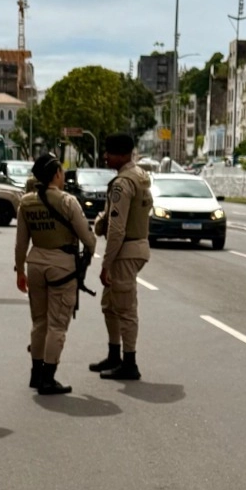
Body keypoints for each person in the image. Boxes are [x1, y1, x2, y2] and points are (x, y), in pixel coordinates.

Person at [15, 153, 95, 396]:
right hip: (61, 266)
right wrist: (89, 253)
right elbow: (87, 238)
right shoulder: (67, 201)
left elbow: (21, 243)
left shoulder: (26, 202)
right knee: (57, 325)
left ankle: (35, 373)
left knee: (39, 322)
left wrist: (20, 270)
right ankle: (48, 378)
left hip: (35, 264)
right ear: (57, 174)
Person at [90, 132, 151, 381]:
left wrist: (106, 264)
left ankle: (129, 362)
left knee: (125, 309)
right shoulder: (140, 176)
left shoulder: (123, 183)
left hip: (125, 251)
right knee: (110, 305)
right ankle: (115, 355)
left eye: (109, 152)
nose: (105, 156)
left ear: (122, 155)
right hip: (135, 247)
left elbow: (116, 230)